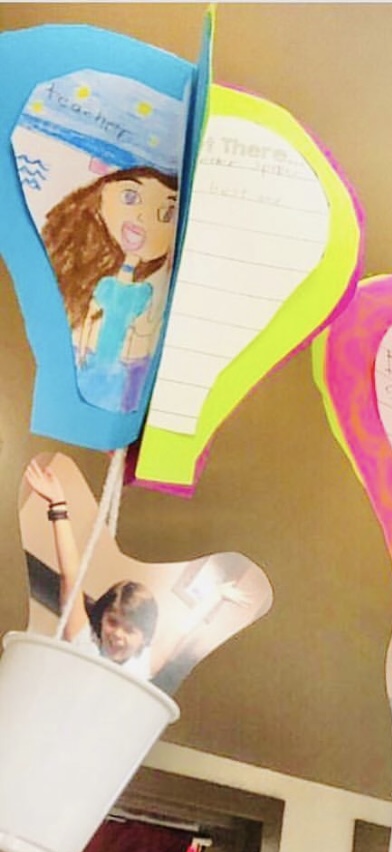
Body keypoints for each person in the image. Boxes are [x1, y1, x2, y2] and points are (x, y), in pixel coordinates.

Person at [24, 460, 248, 682]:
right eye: (113, 621)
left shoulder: (142, 667)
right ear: (102, 617)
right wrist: (58, 505)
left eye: (130, 630)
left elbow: (179, 632)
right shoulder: (84, 644)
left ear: (144, 637)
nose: (117, 635)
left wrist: (215, 596)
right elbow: (70, 576)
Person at [41, 166, 179, 413]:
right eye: (130, 197)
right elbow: (89, 319)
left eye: (167, 213)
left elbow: (142, 331)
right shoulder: (98, 281)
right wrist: (82, 351)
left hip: (125, 366)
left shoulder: (144, 291)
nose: (143, 217)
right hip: (89, 360)